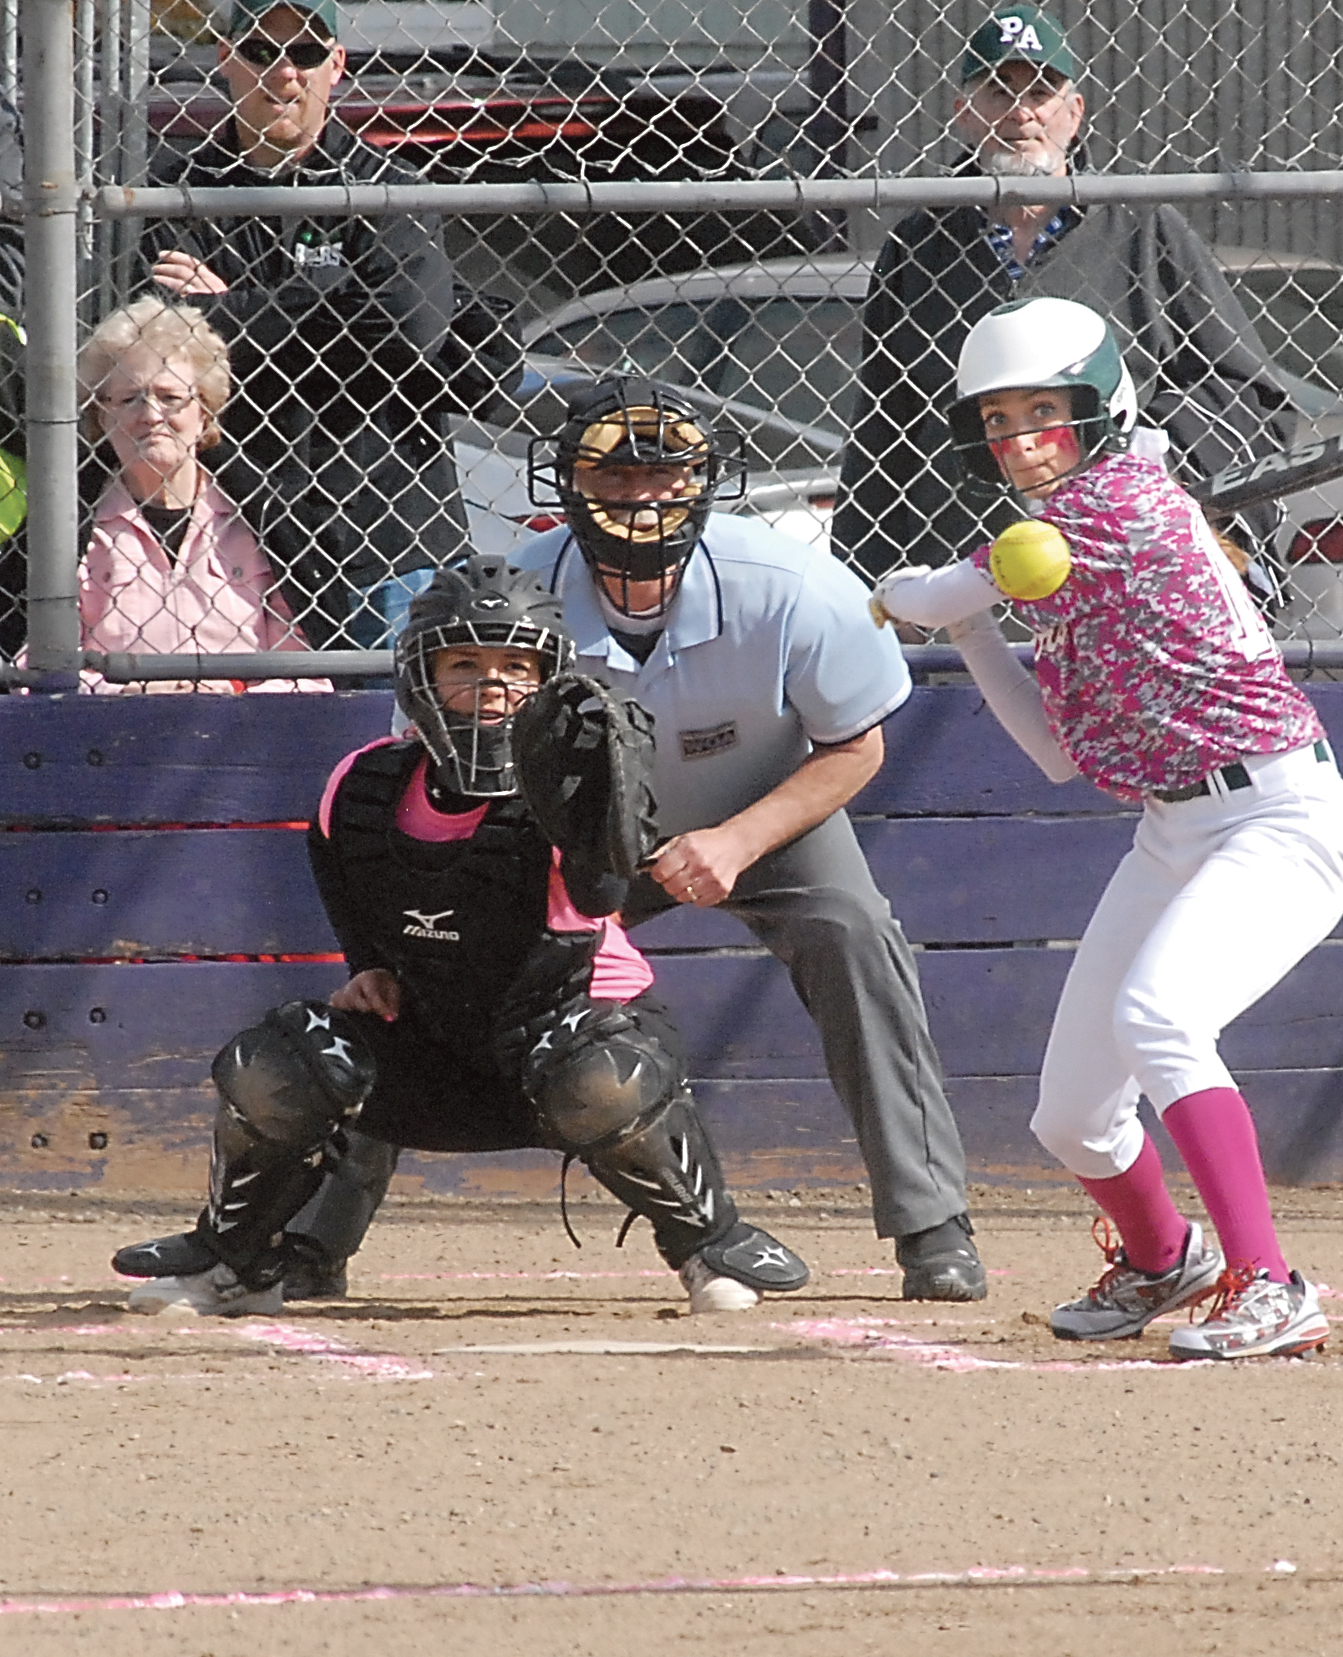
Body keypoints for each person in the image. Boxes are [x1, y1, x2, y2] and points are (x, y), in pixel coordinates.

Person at [117, 554, 811, 1317]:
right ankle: (238, 1257)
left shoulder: (570, 793)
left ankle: (707, 1245)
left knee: (603, 1078)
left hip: (557, 1042)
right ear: (420, 676)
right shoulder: (364, 781)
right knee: (276, 1059)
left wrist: (597, 810)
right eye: (464, 663)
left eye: (516, 666)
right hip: (433, 1047)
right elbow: (342, 867)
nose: (491, 686)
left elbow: (599, 894)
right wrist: (369, 966)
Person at [868, 297, 1343, 1359]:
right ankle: (1161, 1256)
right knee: (1072, 1114)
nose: (1019, 439)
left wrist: (896, 595)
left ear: (1101, 409)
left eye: (1044, 410)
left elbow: (931, 588)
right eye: (999, 421)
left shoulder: (1118, 506)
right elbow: (1052, 747)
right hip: (1175, 829)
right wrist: (967, 629)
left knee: (1162, 1018)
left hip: (1278, 815)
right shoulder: (1055, 535)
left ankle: (1272, 1283)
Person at [512, 376, 988, 1301]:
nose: (641, 499)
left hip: (764, 806)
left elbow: (856, 746)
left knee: (854, 931)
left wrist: (733, 841)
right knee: (460, 956)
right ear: (568, 483)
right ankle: (310, 1229)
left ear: (703, 483)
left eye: (665, 477)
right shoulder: (524, 590)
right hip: (583, 831)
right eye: (614, 479)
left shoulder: (789, 581)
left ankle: (933, 1225)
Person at [833, 4, 1294, 595]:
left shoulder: (1142, 226)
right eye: (998, 92)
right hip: (967, 571)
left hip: (1122, 570)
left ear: (1074, 113)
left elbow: (1248, 391)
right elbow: (883, 420)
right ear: (963, 115)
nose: (1023, 113)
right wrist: (861, 582)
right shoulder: (922, 245)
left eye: (1043, 92)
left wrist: (1143, 452)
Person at [139, 0, 462, 648]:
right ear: (225, 58)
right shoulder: (172, 188)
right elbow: (160, 350)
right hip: (236, 536)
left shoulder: (386, 185)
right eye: (260, 51)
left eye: (306, 54)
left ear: (335, 65)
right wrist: (330, 300)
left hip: (387, 538)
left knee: (399, 735)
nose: (283, 72)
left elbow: (411, 333)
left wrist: (231, 312)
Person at [74, 298, 325, 693]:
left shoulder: (264, 519)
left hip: (246, 737)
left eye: (170, 397)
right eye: (128, 399)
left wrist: (236, 696)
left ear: (204, 412)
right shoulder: (74, 529)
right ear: (101, 417)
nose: (151, 415)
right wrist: (125, 693)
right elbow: (33, 667)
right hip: (104, 739)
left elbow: (309, 669)